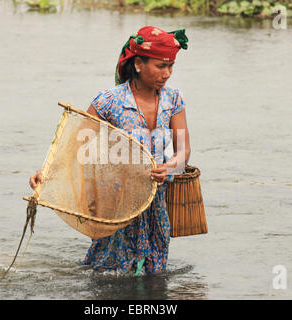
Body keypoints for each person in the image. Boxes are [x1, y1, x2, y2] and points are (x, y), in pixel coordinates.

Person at [30, 26, 191, 275]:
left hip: (155, 201)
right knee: (109, 272)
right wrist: (46, 173)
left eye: (171, 67)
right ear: (138, 63)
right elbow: (75, 145)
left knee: (154, 272)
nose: (167, 74)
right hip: (116, 203)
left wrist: (170, 167)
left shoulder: (174, 100)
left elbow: (184, 151)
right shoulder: (109, 101)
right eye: (161, 66)